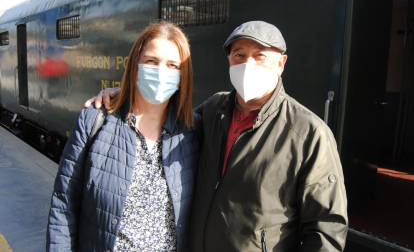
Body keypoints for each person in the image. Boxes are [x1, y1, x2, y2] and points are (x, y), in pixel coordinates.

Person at [86, 21, 348, 251]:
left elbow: (326, 229)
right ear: (229, 61)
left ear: (281, 63)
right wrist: (125, 95)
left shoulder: (308, 133)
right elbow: (165, 114)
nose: (248, 64)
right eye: (239, 55)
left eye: (260, 56)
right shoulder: (213, 110)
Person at [47, 21, 201, 252]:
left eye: (172, 65)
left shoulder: (193, 131)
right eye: (152, 61)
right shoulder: (94, 121)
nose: (161, 72)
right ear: (136, 65)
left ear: (182, 76)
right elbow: (63, 206)